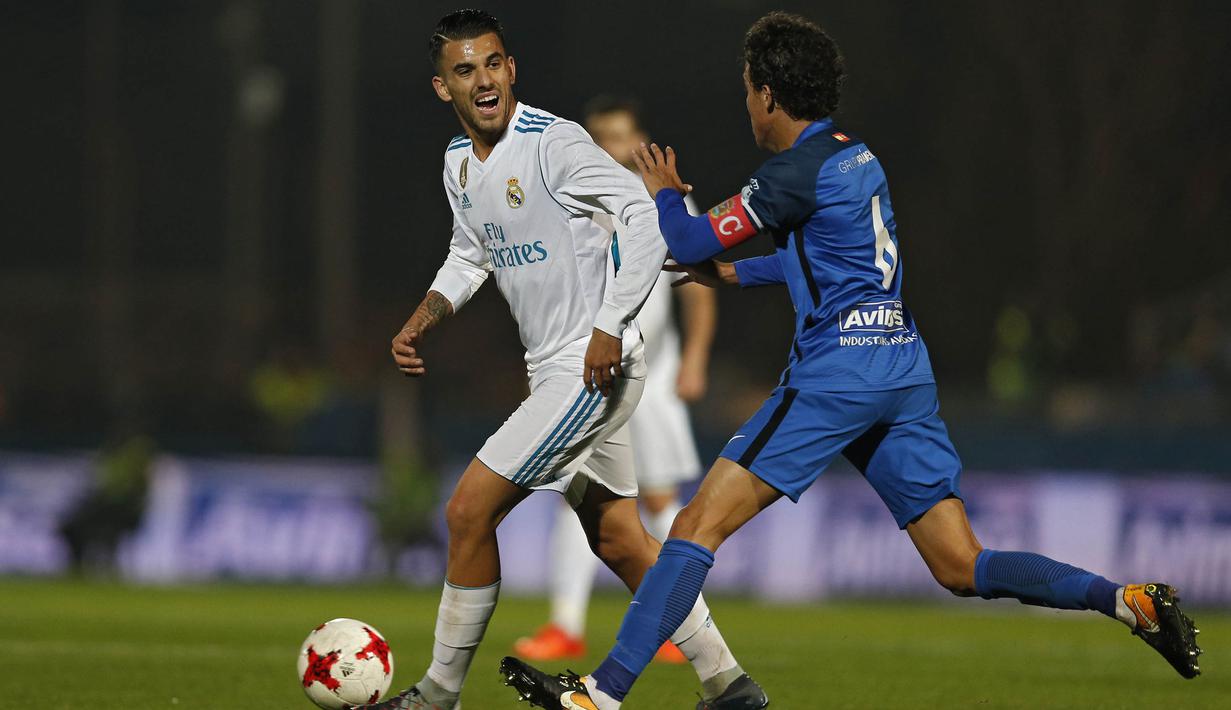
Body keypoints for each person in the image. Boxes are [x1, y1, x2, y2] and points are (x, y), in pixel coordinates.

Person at [500, 11, 1202, 709]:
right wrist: (738, 274)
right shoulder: (854, 154)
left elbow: (686, 242)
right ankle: (1125, 601)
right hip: (900, 365)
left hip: (838, 373)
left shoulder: (789, 173)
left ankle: (600, 696)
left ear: (768, 95)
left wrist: (662, 192)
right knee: (961, 564)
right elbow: (832, 259)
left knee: (692, 529)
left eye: (747, 90)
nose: (746, 104)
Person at [357, 10, 766, 710]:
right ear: (442, 87)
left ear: (511, 68)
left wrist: (609, 325)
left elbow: (643, 217)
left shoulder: (554, 143)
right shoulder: (459, 163)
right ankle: (728, 684)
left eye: (493, 63)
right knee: (620, 540)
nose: (483, 80)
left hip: (591, 367)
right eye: (465, 70)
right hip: (555, 368)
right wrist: (422, 318)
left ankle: (436, 695)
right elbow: (470, 253)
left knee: (467, 511)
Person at [513, 97, 717, 665]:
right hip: (586, 369)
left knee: (658, 497)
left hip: (653, 371)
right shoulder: (573, 198)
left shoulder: (669, 202)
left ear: (638, 139)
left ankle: (679, 626)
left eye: (620, 134)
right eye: (600, 134)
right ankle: (566, 625)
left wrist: (695, 359)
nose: (610, 145)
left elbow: (698, 289)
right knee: (578, 493)